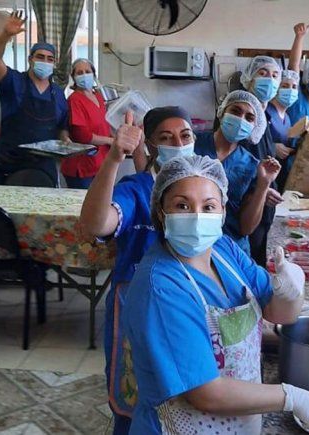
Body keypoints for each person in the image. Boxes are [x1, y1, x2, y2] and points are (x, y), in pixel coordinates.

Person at [122, 155, 309, 434]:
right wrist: (290, 397)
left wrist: (291, 292)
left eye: (208, 206)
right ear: (161, 212)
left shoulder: (224, 249)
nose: (197, 216)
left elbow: (280, 314)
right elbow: (206, 393)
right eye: (182, 205)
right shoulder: (161, 288)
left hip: (238, 420)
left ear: (222, 211)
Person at [77, 106, 195, 435]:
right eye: (166, 137)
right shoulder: (138, 189)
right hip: (137, 307)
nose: (179, 144)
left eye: (185, 136)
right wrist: (114, 159)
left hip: (185, 304)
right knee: (134, 396)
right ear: (151, 145)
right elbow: (97, 223)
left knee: (182, 391)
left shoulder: (202, 185)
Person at [0, 10, 69, 185]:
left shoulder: (58, 93)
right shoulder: (14, 81)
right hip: (10, 165)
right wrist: (5, 35)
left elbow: (62, 126)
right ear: (30, 59)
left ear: (54, 64)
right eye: (40, 57)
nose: (45, 61)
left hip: (44, 169)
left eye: (50, 59)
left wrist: (65, 141)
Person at [194, 90, 280, 254]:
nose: (241, 120)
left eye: (249, 118)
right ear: (222, 112)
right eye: (235, 111)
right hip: (193, 241)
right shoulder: (193, 144)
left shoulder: (252, 165)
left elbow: (246, 228)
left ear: (254, 127)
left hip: (232, 248)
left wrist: (263, 185)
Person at [239, 56, 286, 266]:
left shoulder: (263, 117)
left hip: (263, 205)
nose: (270, 80)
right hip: (246, 205)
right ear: (249, 79)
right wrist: (259, 191)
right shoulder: (243, 116)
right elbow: (235, 166)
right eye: (263, 73)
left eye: (275, 75)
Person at [60, 58, 113, 189]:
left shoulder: (98, 97)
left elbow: (103, 125)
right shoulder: (74, 100)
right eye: (79, 73)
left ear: (94, 74)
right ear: (73, 77)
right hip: (81, 166)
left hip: (99, 163)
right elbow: (83, 136)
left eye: (87, 71)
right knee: (82, 201)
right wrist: (110, 141)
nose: (84, 75)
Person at [269, 69, 300, 192]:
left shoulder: (287, 118)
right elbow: (248, 142)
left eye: (294, 87)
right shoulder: (265, 112)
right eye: (285, 86)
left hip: (279, 174)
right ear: (276, 88)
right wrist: (272, 147)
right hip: (262, 172)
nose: (290, 90)